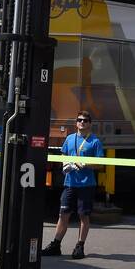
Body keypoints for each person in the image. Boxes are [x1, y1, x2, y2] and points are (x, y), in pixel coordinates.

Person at [43, 111, 104, 259]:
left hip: (86, 185)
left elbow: (101, 164)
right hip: (70, 184)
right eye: (79, 120)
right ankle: (56, 245)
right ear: (76, 123)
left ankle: (79, 246)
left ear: (90, 123)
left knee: (83, 216)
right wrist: (65, 165)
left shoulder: (95, 141)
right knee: (63, 214)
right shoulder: (70, 139)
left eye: (85, 120)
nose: (82, 122)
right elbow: (64, 156)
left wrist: (86, 164)